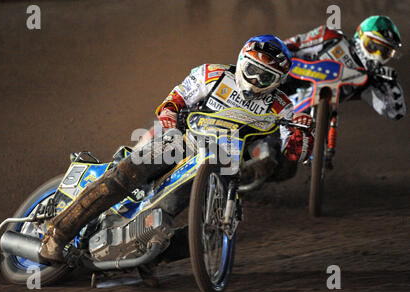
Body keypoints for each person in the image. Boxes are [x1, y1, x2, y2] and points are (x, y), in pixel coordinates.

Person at [39, 35, 314, 263]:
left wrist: (303, 132)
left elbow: (296, 155)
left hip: (221, 166)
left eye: (265, 77)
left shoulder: (282, 106)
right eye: (252, 70)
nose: (255, 81)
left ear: (278, 81)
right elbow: (174, 100)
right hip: (182, 143)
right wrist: (170, 124)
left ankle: (143, 260)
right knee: (127, 174)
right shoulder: (213, 73)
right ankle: (58, 234)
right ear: (242, 61)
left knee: (204, 229)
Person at [282, 15, 406, 121]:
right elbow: (288, 45)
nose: (378, 56)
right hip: (287, 81)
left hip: (313, 117)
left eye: (385, 52)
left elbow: (394, 112)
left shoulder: (369, 79)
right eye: (374, 46)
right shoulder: (330, 37)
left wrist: (390, 83)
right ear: (361, 36)